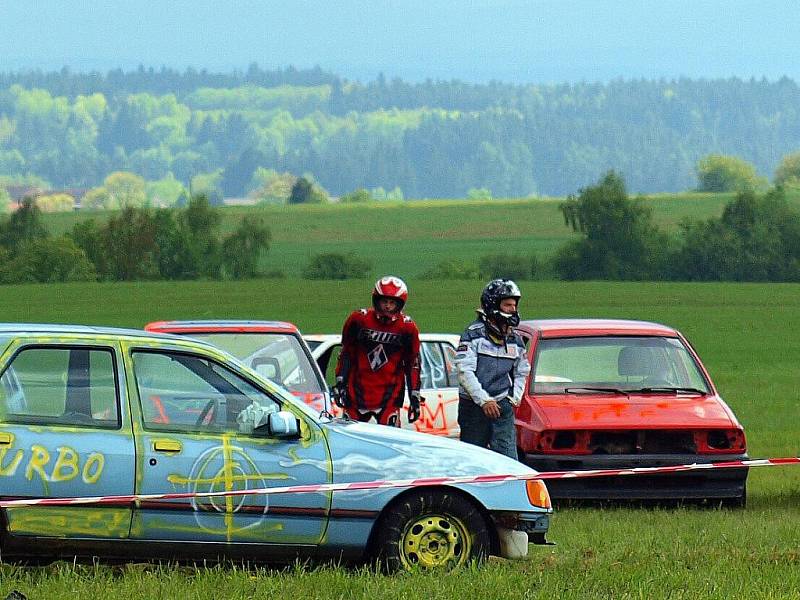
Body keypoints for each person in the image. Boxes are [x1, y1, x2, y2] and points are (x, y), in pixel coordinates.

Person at [455, 279, 530, 459]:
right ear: (493, 305)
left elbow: (522, 371)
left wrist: (514, 398)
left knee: (509, 459)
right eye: (507, 305)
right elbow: (464, 372)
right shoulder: (472, 334)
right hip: (474, 406)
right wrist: (484, 401)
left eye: (514, 305)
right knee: (473, 459)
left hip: (502, 403)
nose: (513, 309)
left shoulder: (516, 339)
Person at [332, 276, 422, 426]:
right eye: (384, 301)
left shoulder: (408, 328)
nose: (387, 306)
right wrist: (340, 381)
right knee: (351, 440)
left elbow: (412, 363)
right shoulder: (358, 320)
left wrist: (415, 394)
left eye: (392, 303)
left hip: (390, 396)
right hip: (356, 393)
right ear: (376, 300)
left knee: (389, 442)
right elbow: (346, 352)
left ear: (400, 304)